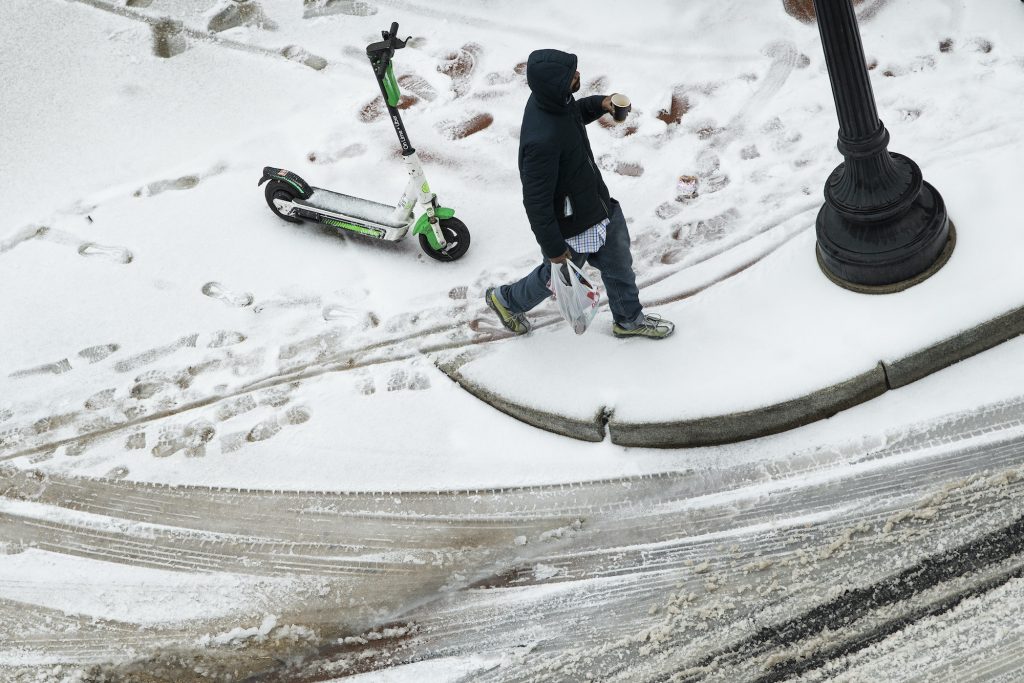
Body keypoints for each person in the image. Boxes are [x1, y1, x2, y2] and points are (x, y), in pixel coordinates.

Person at [485, 49, 675, 340]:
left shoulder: (553, 100)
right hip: (572, 224)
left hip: (597, 204)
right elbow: (536, 202)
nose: (578, 76)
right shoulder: (541, 141)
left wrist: (602, 104)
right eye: (571, 76)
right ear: (556, 85)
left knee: (619, 264)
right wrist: (554, 250)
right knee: (555, 278)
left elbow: (572, 114)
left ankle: (628, 320)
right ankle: (507, 300)